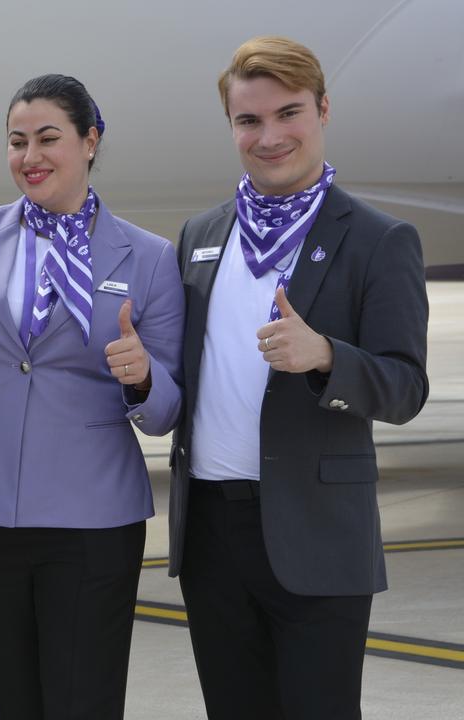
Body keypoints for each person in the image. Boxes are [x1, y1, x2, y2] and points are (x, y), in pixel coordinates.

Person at [168, 36, 430, 720]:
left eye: (289, 113)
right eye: (249, 120)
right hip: (212, 538)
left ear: (323, 111)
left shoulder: (378, 239)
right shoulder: (202, 234)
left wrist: (326, 358)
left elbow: (405, 387)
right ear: (231, 126)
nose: (270, 135)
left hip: (317, 535)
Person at [0, 74, 185, 719]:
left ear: (90, 142)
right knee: (8, 703)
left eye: (48, 138)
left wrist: (143, 375)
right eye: (17, 142)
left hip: (91, 519)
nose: (30, 157)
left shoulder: (148, 257)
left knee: (82, 703)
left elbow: (168, 409)